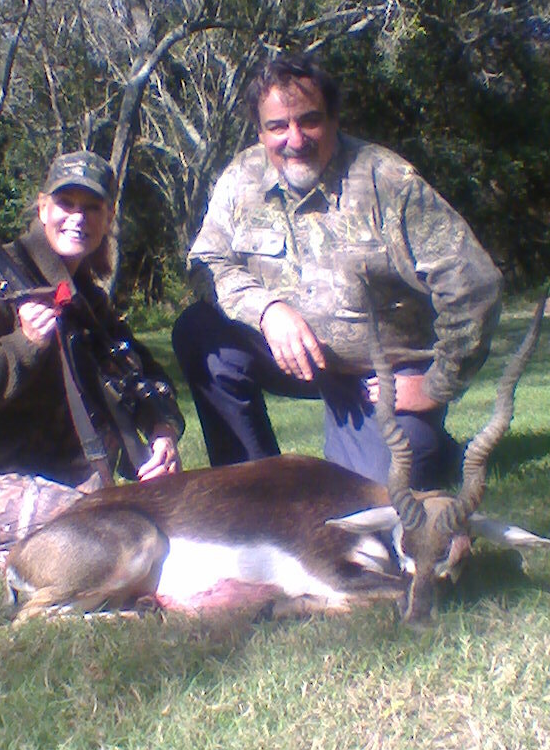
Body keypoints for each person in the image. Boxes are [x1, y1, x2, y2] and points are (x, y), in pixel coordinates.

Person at [172, 53, 502, 489]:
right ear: (260, 131)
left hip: (376, 376)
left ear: (333, 118)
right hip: (290, 356)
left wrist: (437, 384)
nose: (295, 139)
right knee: (197, 330)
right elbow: (206, 264)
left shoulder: (388, 181)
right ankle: (256, 485)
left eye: (309, 121)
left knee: (370, 499)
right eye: (277, 127)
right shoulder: (241, 177)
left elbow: (474, 283)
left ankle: (432, 448)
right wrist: (268, 310)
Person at [0, 151, 184, 578]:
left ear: (107, 220)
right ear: (43, 207)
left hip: (26, 463)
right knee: (107, 532)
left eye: (93, 208)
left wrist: (162, 429)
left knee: (142, 521)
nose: (79, 218)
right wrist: (23, 345)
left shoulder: (83, 294)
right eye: (67, 204)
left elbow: (139, 367)